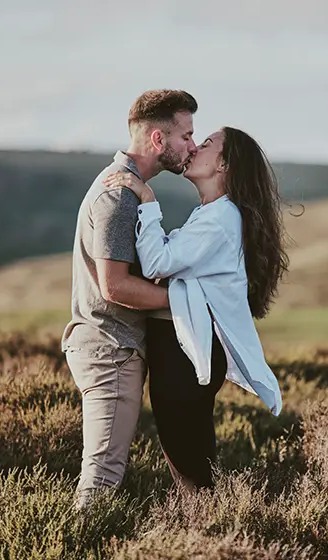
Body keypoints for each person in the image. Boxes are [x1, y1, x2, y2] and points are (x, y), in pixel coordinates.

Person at [102, 126, 288, 490]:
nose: (193, 149)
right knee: (194, 467)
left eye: (205, 144)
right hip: (181, 355)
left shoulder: (220, 219)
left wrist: (146, 198)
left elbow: (157, 263)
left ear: (224, 164)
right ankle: (214, 522)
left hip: (182, 360)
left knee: (190, 474)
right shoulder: (212, 214)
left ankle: (211, 526)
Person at [61, 89, 198, 509]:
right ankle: (76, 540)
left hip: (111, 347)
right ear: (158, 139)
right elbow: (115, 287)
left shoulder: (130, 189)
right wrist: (186, 301)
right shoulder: (118, 196)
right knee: (102, 478)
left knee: (104, 474)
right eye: (186, 136)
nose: (192, 147)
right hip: (110, 350)